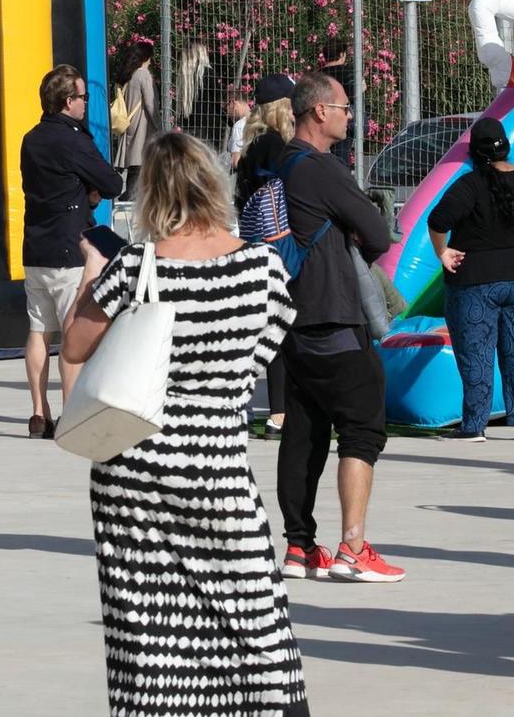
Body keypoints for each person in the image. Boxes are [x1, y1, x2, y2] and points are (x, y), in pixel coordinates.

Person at [62, 131, 306, 715]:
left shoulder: (135, 265)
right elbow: (264, 350)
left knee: (146, 627)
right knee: (250, 610)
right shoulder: (262, 267)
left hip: (133, 470)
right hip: (216, 468)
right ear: (213, 184)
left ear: (154, 195)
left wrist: (93, 273)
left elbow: (73, 348)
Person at [240, 71, 404, 584]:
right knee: (362, 425)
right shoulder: (320, 168)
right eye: (344, 108)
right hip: (333, 311)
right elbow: (378, 229)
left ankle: (299, 548)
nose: (349, 116)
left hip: (289, 316)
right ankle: (354, 547)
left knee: (304, 430)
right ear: (318, 113)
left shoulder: (278, 162)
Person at [427, 115, 514, 441]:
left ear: (473, 153)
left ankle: (474, 426)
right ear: (506, 147)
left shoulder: (469, 186)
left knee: (476, 351)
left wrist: (443, 252)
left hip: (475, 281)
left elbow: (438, 220)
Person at [17, 63, 125, 438]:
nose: (85, 104)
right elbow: (111, 182)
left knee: (37, 331)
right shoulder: (74, 140)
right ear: (68, 101)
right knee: (72, 333)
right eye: (82, 97)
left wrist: (81, 187)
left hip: (34, 246)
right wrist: (89, 189)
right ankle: (70, 413)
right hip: (68, 246)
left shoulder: (31, 138)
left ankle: (37, 413)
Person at [238, 73, 297, 440]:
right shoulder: (276, 146)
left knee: (260, 331)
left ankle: (252, 409)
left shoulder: (251, 145)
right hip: (276, 246)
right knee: (282, 334)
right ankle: (280, 413)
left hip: (253, 245)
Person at [114, 43, 156, 196]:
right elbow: (151, 105)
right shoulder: (143, 74)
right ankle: (130, 197)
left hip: (129, 123)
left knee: (135, 164)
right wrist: (159, 126)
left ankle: (129, 195)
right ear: (146, 57)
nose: (151, 61)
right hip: (142, 125)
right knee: (140, 163)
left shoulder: (128, 75)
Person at [223, 92, 253, 171]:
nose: (227, 113)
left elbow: (236, 161)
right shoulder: (259, 121)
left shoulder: (239, 126)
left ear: (233, 102)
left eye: (226, 108)